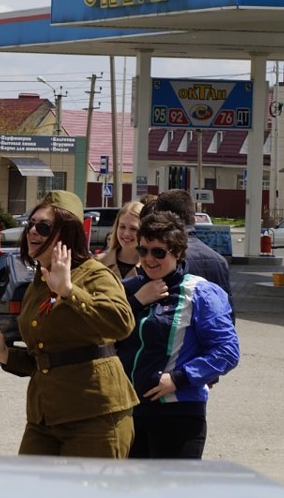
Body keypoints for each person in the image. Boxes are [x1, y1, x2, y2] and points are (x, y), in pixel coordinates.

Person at [0, 190, 138, 458]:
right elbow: (48, 359)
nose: (33, 232)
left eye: (44, 227)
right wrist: (4, 354)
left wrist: (70, 291)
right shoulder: (39, 281)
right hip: (45, 417)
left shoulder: (94, 274)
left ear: (67, 233)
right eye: (31, 225)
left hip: (95, 414)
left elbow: (122, 324)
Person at [117, 211, 240, 459]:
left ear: (178, 252)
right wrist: (136, 302)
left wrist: (178, 378)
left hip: (178, 414)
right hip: (128, 413)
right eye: (143, 251)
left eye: (158, 252)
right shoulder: (127, 288)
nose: (149, 259)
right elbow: (102, 332)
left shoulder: (201, 292)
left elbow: (227, 351)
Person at [142, 189, 234, 321]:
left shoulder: (167, 258)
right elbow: (228, 312)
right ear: (193, 218)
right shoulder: (219, 260)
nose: (149, 257)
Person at [98, 201, 143, 280]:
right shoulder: (99, 262)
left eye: (133, 229)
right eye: (122, 227)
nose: (126, 233)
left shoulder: (151, 266)